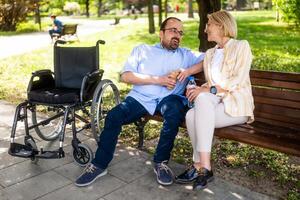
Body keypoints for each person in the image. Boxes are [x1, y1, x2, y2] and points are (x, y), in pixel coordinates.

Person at [75, 17, 205, 187]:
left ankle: (161, 162)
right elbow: (126, 76)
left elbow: (208, 60)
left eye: (180, 33)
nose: (177, 36)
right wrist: (160, 80)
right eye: (173, 30)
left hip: (168, 99)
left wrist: (187, 71)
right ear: (161, 33)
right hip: (140, 99)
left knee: (173, 110)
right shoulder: (142, 50)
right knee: (114, 116)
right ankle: (99, 165)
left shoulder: (186, 55)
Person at [175, 10, 254, 190]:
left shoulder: (241, 46)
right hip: (215, 104)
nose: (205, 29)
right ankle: (202, 166)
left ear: (221, 25)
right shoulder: (210, 53)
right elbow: (210, 83)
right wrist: (196, 86)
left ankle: (202, 167)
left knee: (199, 106)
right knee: (190, 115)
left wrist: (206, 89)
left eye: (208, 25)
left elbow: (237, 80)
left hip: (236, 106)